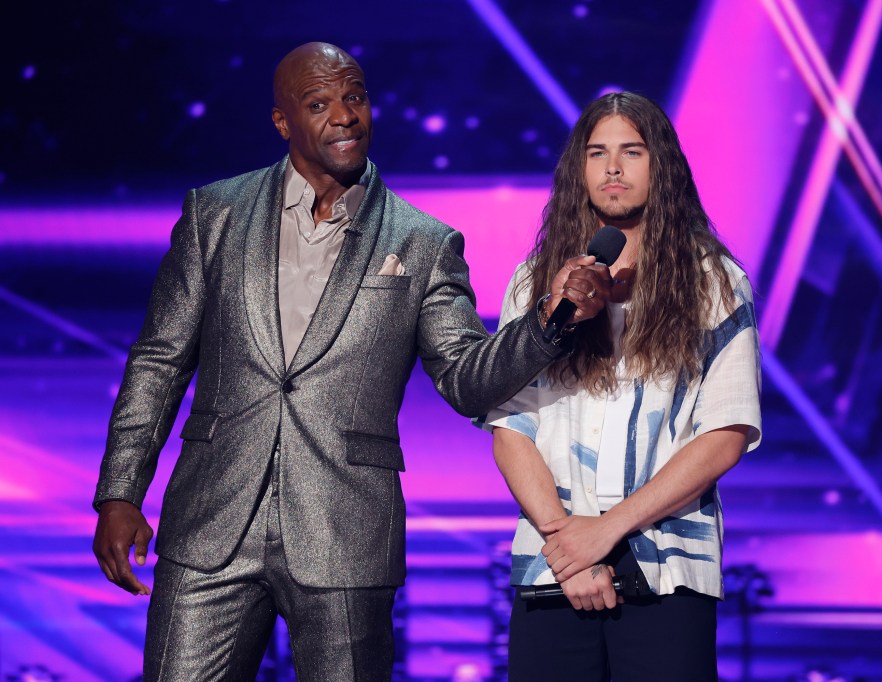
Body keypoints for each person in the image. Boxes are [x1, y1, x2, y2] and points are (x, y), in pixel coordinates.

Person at [91, 42, 611, 682]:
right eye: (319, 103)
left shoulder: (422, 242)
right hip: (210, 526)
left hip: (345, 533)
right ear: (283, 122)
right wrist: (119, 492)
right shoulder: (215, 214)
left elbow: (467, 380)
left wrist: (548, 321)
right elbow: (159, 360)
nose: (344, 116)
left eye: (355, 97)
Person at [483, 91, 762, 680]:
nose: (613, 168)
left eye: (632, 152)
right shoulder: (537, 282)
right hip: (554, 568)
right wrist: (569, 545)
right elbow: (510, 425)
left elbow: (727, 431)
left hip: (670, 569)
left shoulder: (715, 281)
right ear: (578, 170)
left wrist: (606, 532)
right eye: (598, 153)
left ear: (661, 166)